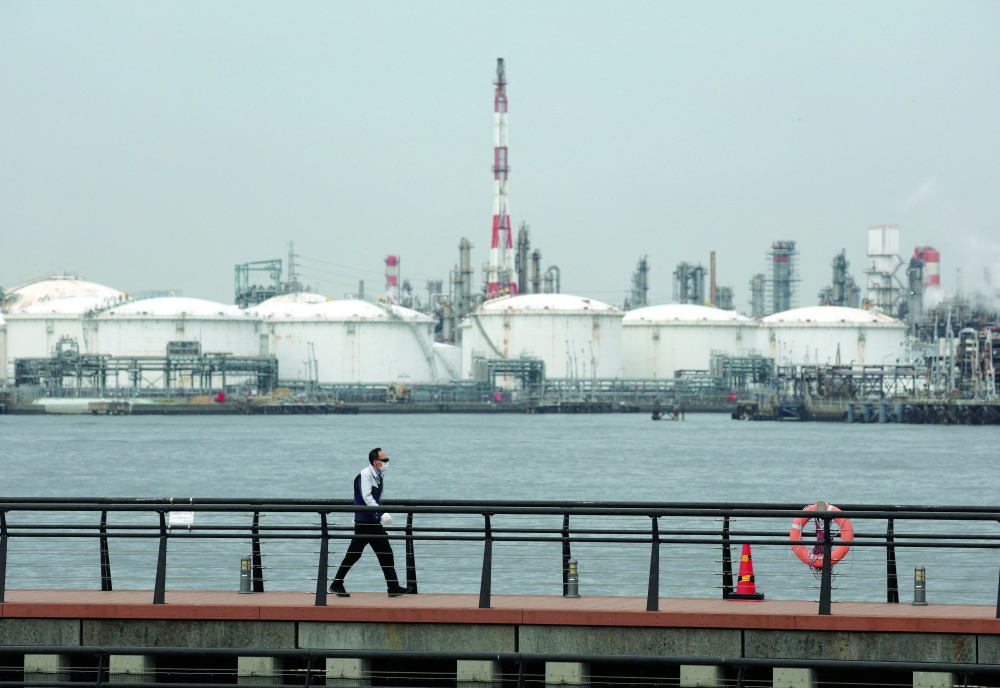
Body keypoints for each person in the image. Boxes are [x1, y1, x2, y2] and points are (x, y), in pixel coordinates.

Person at [329, 448, 413, 598]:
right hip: (365, 522)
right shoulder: (365, 475)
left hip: (370, 521)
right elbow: (367, 497)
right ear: (376, 462)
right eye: (384, 460)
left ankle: (392, 586)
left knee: (379, 552)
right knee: (356, 554)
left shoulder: (377, 476)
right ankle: (337, 584)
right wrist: (381, 513)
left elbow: (373, 499)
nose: (387, 462)